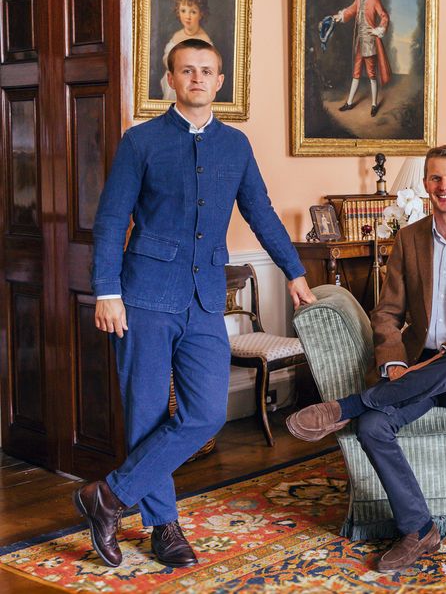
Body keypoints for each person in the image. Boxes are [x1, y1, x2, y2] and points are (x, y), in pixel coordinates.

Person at [76, 38, 315, 569]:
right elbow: (113, 220)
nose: (198, 78)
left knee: (205, 412)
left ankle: (108, 497)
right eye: (188, 71)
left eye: (207, 71)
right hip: (143, 298)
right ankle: (164, 528)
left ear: (220, 81)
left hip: (208, 299)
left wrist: (294, 271)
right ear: (171, 80)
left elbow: (262, 212)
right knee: (145, 414)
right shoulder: (140, 142)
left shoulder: (237, 145)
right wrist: (107, 291)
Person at [285, 144, 446, 573]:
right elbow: (388, 312)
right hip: (418, 368)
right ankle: (419, 529)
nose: (443, 187)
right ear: (426, 185)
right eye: (435, 178)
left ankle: (349, 406)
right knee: (375, 426)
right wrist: (393, 360)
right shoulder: (410, 239)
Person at [333, 0, 391, 117]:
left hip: (370, 43)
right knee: (356, 73)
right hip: (359, 42)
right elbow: (352, 9)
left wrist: (379, 29)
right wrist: (341, 15)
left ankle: (374, 104)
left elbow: (384, 16)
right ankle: (349, 102)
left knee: (372, 75)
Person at [159, 0, 214, 100]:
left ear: (201, 14)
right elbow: (167, 59)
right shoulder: (177, 35)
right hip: (171, 83)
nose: (187, 16)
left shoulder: (204, 40)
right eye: (183, 11)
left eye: (193, 12)